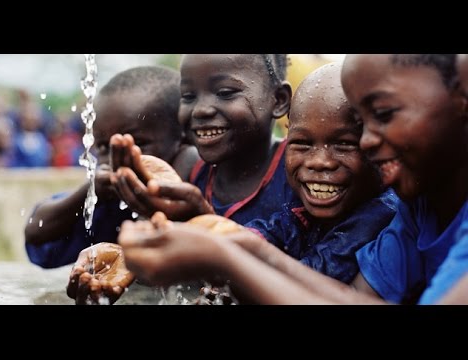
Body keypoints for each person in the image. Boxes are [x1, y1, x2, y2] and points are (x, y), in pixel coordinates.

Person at [118, 54, 468, 305]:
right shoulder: (416, 213)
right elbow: (355, 298)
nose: (367, 141)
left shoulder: (384, 211)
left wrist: (226, 258)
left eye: (384, 115)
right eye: (301, 143)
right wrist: (224, 243)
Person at [25, 66, 199, 271]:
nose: (113, 158)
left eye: (136, 144)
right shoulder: (106, 198)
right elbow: (36, 231)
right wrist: (90, 191)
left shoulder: (198, 186)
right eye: (102, 146)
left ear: (183, 138)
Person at [243, 62, 397, 283]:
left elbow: (316, 275)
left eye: (344, 144)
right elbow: (274, 231)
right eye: (302, 144)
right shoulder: (305, 204)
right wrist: (231, 239)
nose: (319, 162)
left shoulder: (380, 214)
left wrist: (234, 265)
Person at [110, 54, 298, 225]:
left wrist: (201, 221)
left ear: (279, 100)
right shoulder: (189, 171)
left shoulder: (297, 172)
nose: (200, 109)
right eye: (188, 96)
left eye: (225, 93)